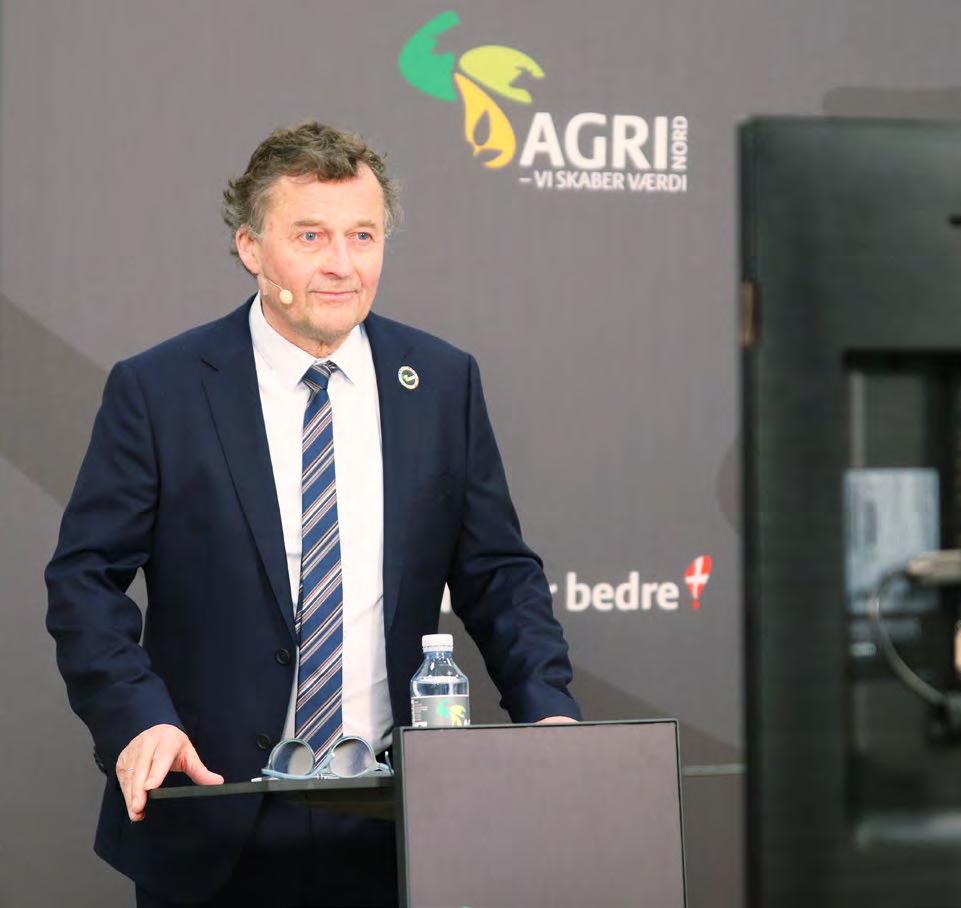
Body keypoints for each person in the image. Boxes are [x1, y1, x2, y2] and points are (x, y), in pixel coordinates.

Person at [45, 121, 580, 908]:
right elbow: (85, 581)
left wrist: (549, 714)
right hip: (215, 813)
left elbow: (498, 575)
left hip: (396, 824)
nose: (341, 264)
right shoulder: (159, 390)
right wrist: (138, 721)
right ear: (250, 248)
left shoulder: (440, 382)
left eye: (363, 235)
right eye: (310, 235)